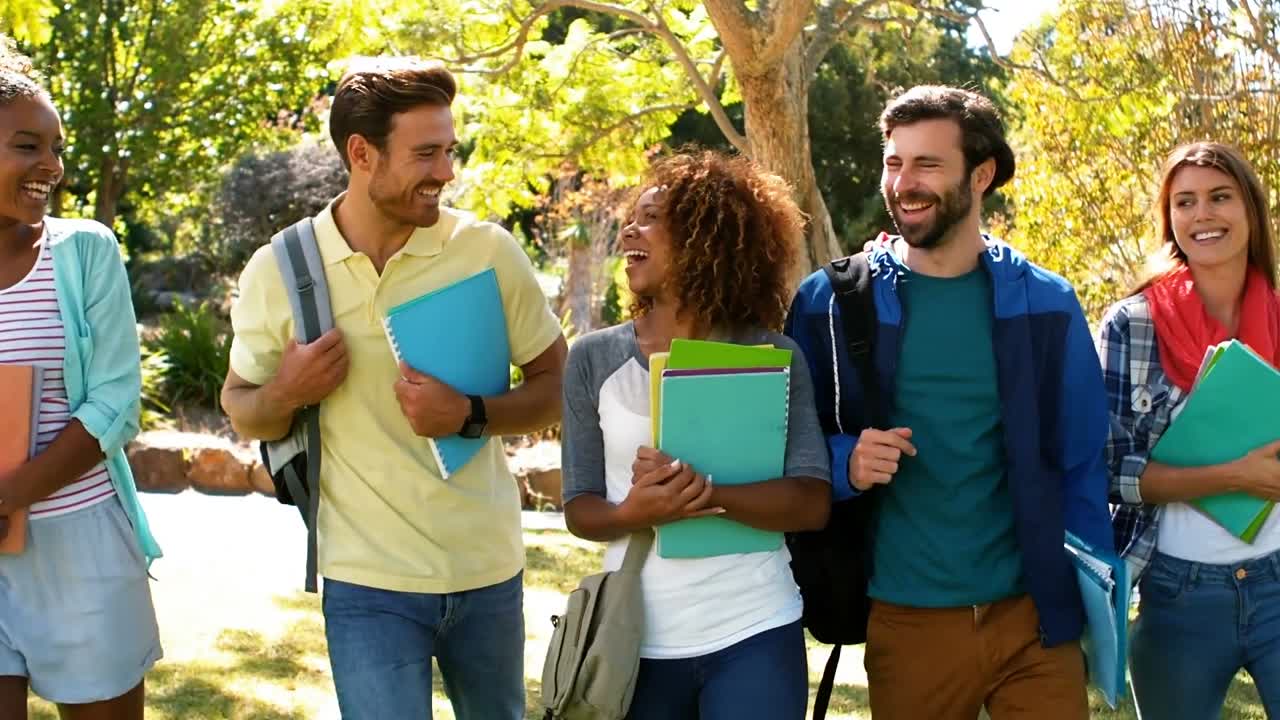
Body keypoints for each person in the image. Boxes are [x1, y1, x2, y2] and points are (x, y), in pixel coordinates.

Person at [220, 57, 567, 720]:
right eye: (427, 153)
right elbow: (243, 410)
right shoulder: (282, 268)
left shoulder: (487, 252)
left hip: (485, 569)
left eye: (450, 151)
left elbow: (556, 385)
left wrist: (469, 414)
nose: (446, 172)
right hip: (366, 580)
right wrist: (287, 390)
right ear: (361, 154)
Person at [785, 85, 1114, 720]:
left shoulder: (1047, 303)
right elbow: (781, 441)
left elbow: (1080, 463)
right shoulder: (827, 302)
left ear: (982, 174)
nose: (904, 183)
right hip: (909, 619)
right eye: (894, 162)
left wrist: (1083, 604)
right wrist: (844, 461)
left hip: (1034, 618)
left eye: (927, 165)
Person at [559, 150, 831, 720]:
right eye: (632, 218)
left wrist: (703, 496)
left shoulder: (774, 357)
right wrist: (634, 511)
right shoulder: (592, 358)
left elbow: (809, 502)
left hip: (756, 628)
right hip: (634, 640)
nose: (630, 229)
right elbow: (580, 507)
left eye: (651, 217)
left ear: (709, 237)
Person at [0, 36, 162, 720]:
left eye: (56, 148)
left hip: (80, 548)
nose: (52, 166)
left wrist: (10, 494)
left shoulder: (85, 251)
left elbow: (116, 403)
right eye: (27, 145)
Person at [1097, 141, 1280, 719]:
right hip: (1177, 590)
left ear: (1249, 209)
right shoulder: (1131, 323)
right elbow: (1107, 468)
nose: (1203, 215)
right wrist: (1234, 476)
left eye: (1220, 197)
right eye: (1185, 202)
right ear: (1169, 218)